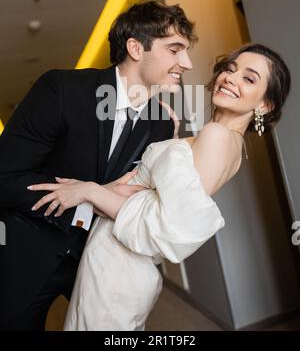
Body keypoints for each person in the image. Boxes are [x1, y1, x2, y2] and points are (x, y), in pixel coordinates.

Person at [30, 42, 291, 331]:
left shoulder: (216, 135)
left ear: (265, 104)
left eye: (249, 78)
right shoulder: (229, 144)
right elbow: (169, 193)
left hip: (119, 264)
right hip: (118, 260)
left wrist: (90, 191)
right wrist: (173, 141)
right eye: (231, 69)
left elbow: (169, 224)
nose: (231, 77)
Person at [0, 1, 197, 331]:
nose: (186, 63)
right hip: (28, 252)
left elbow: (144, 198)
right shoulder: (62, 90)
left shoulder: (162, 123)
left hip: (104, 263)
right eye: (175, 50)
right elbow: (5, 176)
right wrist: (88, 197)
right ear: (135, 47)